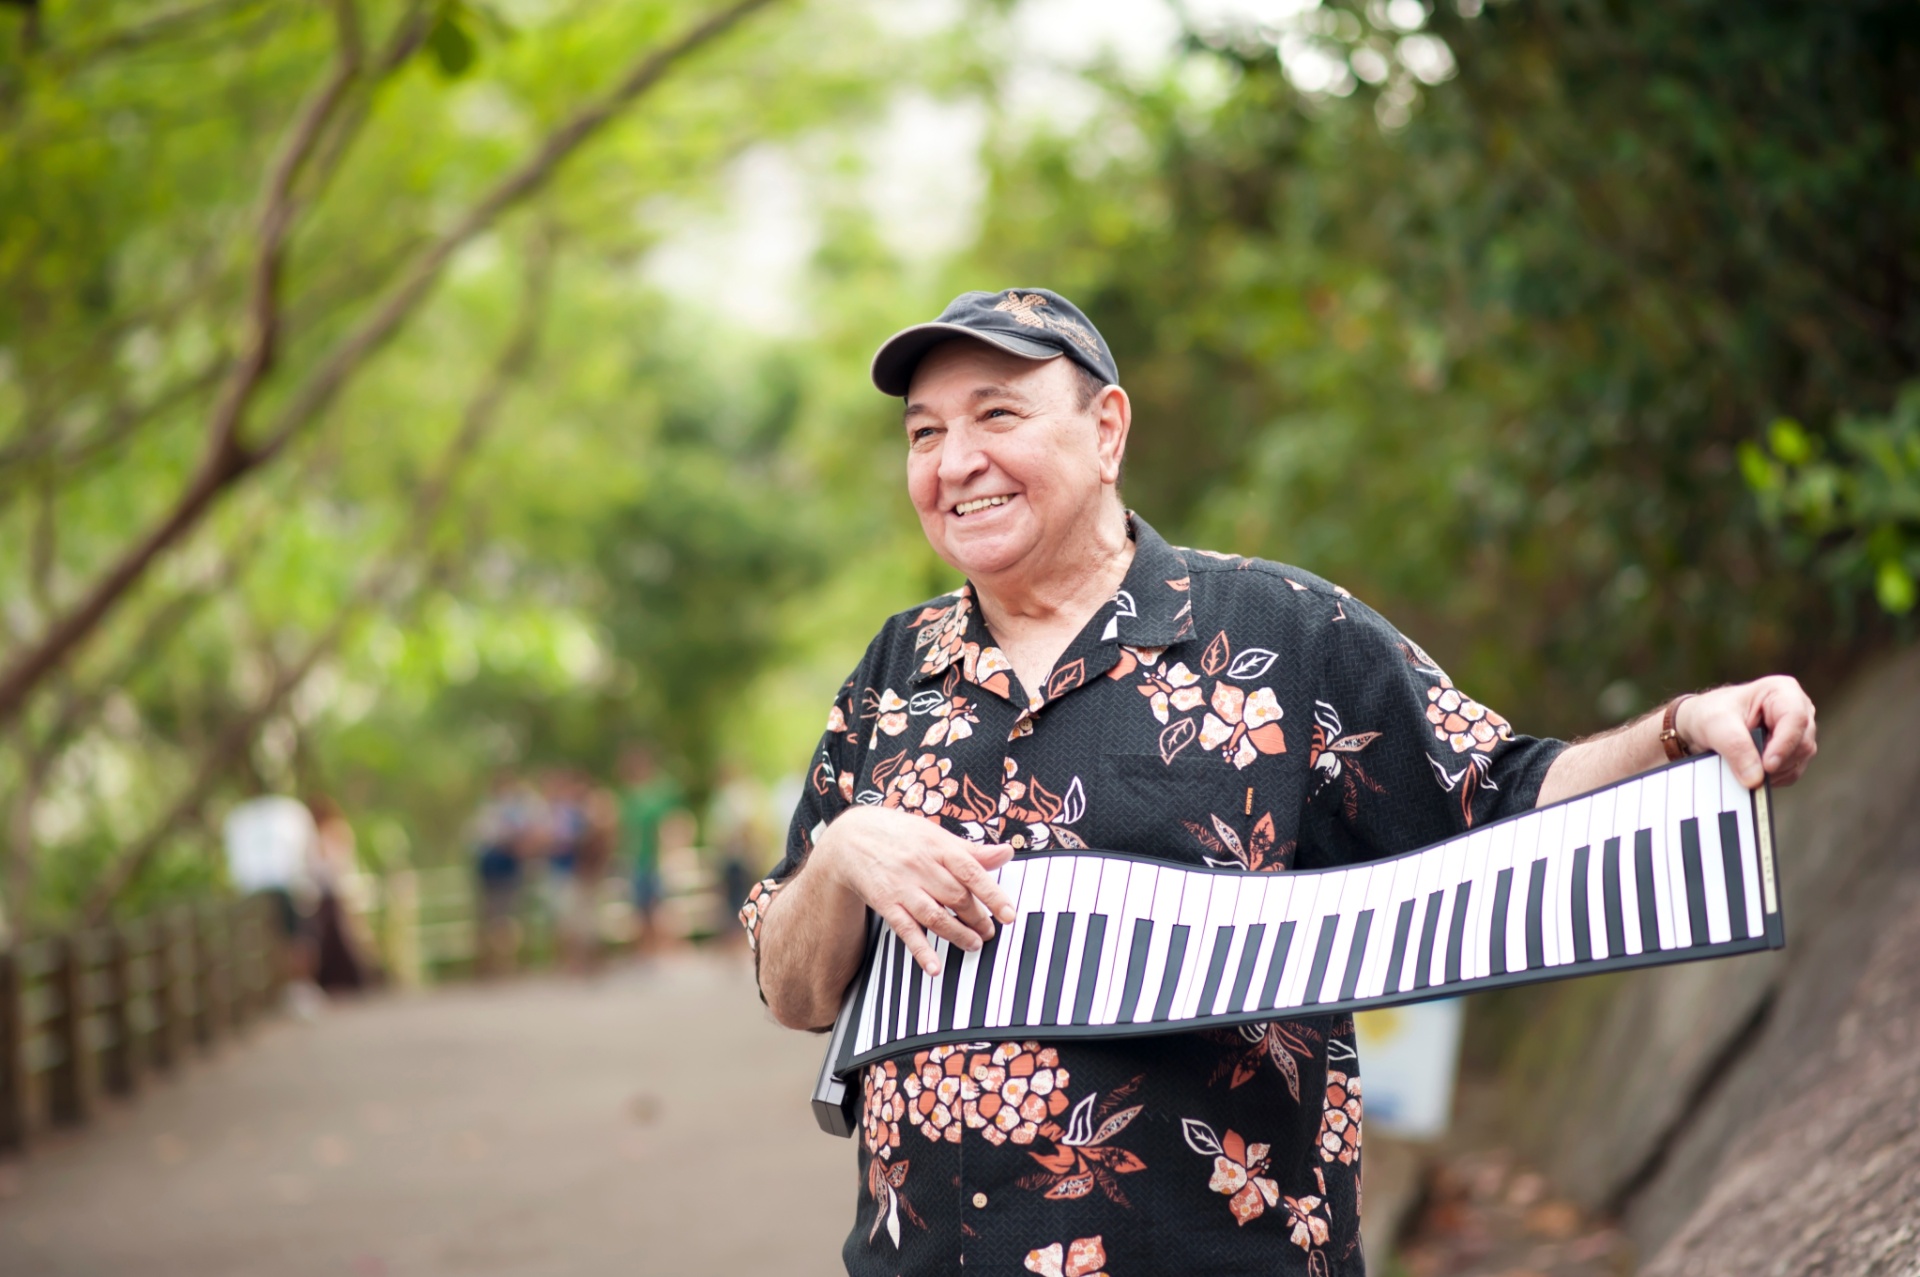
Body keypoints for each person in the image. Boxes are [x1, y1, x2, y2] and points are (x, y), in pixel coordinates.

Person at [739, 288, 1819, 1275]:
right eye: (925, 432)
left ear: (1107, 429)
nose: (953, 459)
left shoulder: (1281, 632)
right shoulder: (894, 671)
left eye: (996, 415)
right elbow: (794, 988)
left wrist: (1681, 731)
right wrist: (842, 851)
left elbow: (1501, 795)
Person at [223, 793, 323, 1016]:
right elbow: (309, 854)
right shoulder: (292, 812)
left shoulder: (241, 817)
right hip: (283, 886)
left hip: (253, 890)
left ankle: (289, 991)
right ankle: (297, 989)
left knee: (277, 940)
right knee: (297, 939)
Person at [470, 772, 538, 976]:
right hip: (492, 871)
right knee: (494, 919)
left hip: (507, 869)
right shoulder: (489, 811)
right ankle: (494, 965)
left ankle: (507, 964)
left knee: (507, 919)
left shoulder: (514, 811)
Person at [618, 745, 682, 953]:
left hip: (656, 859)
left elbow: (671, 826)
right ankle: (647, 949)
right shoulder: (631, 798)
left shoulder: (659, 795)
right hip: (638, 860)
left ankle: (665, 948)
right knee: (641, 908)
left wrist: (668, 854)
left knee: (659, 906)